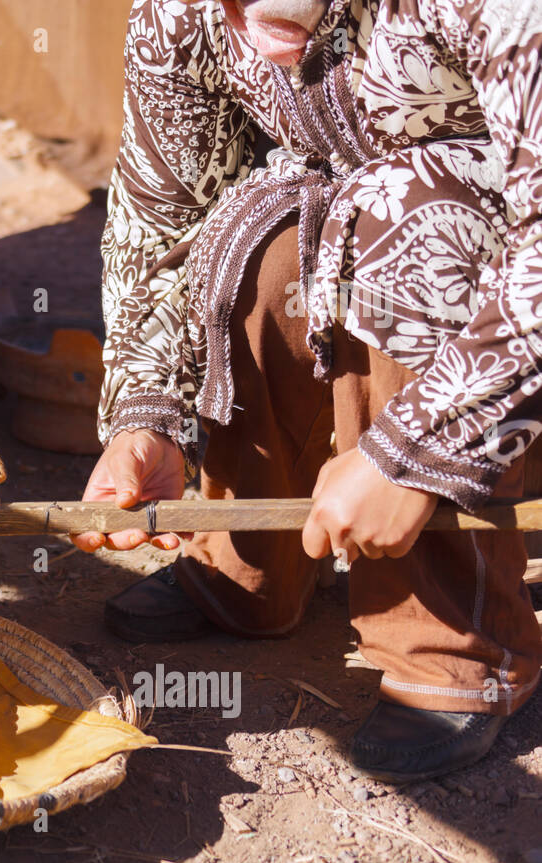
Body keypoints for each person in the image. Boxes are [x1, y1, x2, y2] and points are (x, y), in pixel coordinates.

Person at [77, 0, 542, 781]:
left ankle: (459, 641)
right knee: (268, 234)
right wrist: (147, 415)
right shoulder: (180, 15)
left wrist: (409, 450)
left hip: (502, 324)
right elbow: (162, 217)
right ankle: (249, 562)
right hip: (372, 240)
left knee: (411, 215)